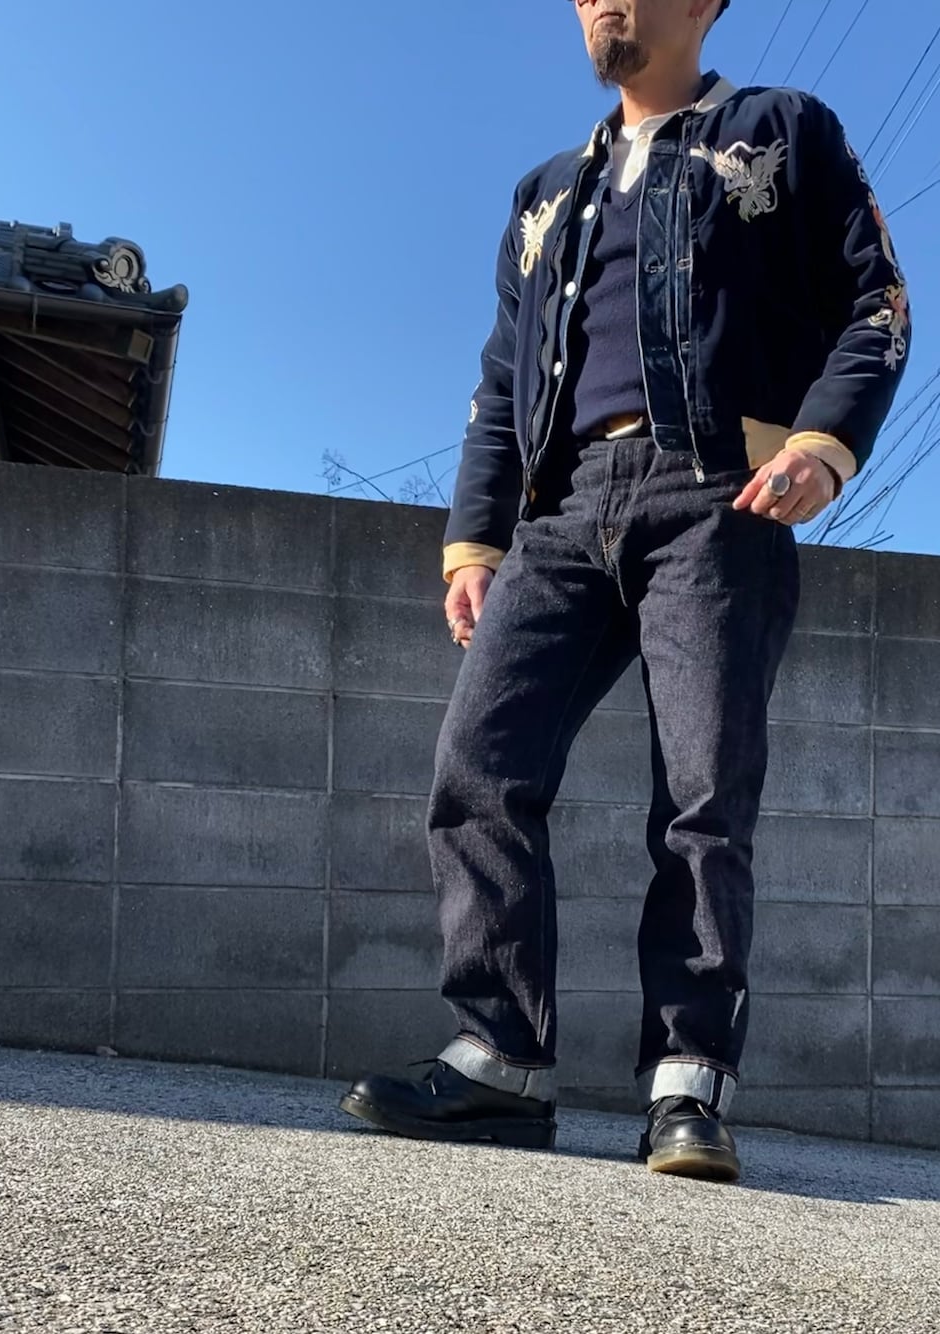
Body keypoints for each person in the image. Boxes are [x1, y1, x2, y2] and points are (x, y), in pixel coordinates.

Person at [340, 0, 910, 1181]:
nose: (600, 1)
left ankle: (687, 1079)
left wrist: (822, 442)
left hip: (718, 493)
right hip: (559, 513)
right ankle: (501, 1058)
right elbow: (499, 379)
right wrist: (472, 540)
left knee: (702, 793)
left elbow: (877, 303)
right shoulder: (545, 192)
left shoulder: (782, 130)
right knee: (477, 766)